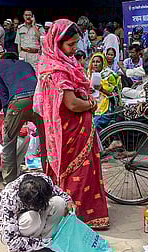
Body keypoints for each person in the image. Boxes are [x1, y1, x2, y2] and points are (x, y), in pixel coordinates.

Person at [34, 19, 109, 229]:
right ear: (57, 43)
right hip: (69, 131)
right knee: (78, 173)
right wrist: (90, 105)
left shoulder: (65, 63)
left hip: (77, 128)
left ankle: (83, 214)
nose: (75, 49)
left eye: (76, 43)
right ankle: (76, 216)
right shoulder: (56, 70)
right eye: (70, 45)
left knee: (85, 171)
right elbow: (72, 104)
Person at [0, 173, 74, 252]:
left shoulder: (43, 180)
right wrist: (43, 243)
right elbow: (12, 240)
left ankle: (46, 240)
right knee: (32, 218)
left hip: (35, 219)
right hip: (14, 228)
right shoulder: (10, 198)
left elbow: (59, 192)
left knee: (59, 202)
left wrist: (68, 202)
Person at [0, 52, 45, 188]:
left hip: (18, 102)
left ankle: (9, 183)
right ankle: (49, 176)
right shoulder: (26, 64)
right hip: (37, 100)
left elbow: (3, 93)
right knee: (45, 141)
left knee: (9, 142)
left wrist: (7, 116)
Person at [88, 52, 121, 132]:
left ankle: (98, 143)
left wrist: (102, 90)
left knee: (95, 125)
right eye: (94, 61)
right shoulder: (89, 75)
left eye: (98, 62)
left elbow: (116, 96)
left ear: (103, 64)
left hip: (106, 109)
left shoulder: (110, 76)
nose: (95, 64)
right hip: (92, 106)